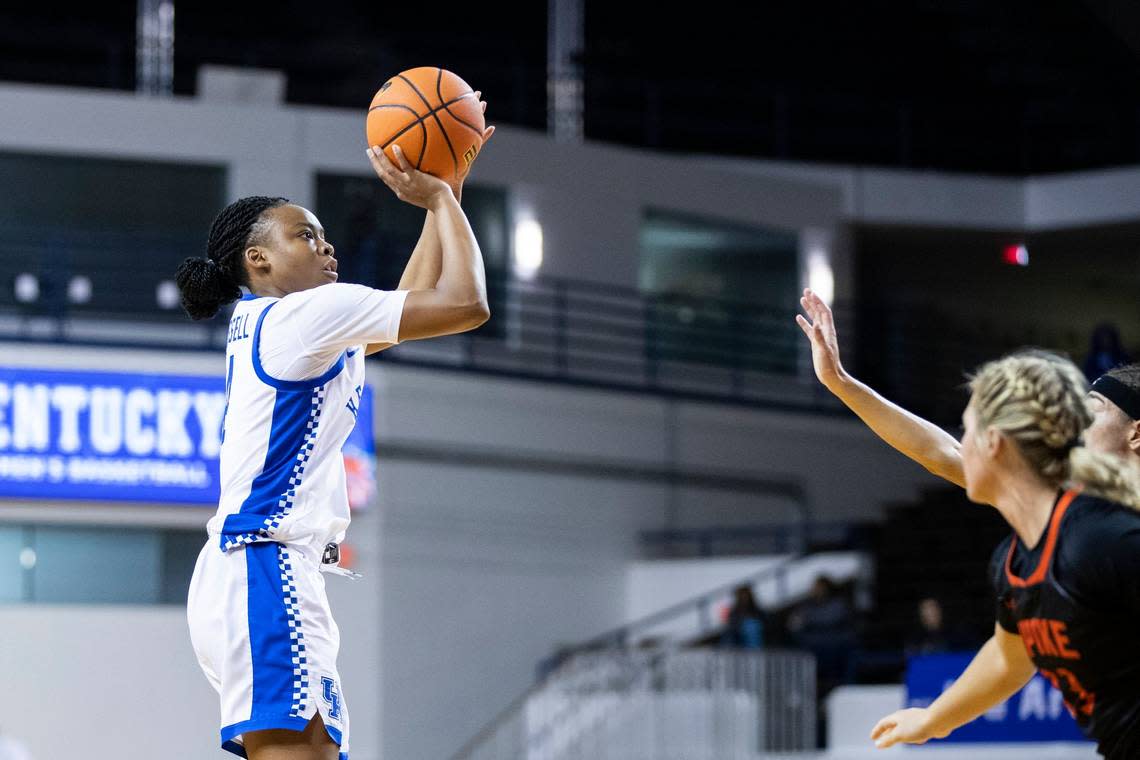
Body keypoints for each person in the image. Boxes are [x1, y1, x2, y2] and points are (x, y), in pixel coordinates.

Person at [184, 102, 494, 760]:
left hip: (258, 570)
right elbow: (467, 304)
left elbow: (399, 310)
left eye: (325, 235)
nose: (327, 246)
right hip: (265, 565)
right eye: (306, 236)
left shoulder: (280, 323)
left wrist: (449, 202)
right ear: (258, 260)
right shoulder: (305, 317)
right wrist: (440, 200)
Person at [797, 292, 1140, 757]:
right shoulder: (1044, 537)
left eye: (1092, 408)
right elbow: (1009, 656)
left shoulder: (1103, 539)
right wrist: (842, 385)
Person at [720, 584, 766, 649]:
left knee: (752, 626)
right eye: (742, 595)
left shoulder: (755, 608)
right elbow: (732, 623)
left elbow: (763, 618)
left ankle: (754, 650)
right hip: (738, 632)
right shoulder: (735, 610)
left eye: (746, 595)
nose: (744, 597)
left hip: (753, 631)